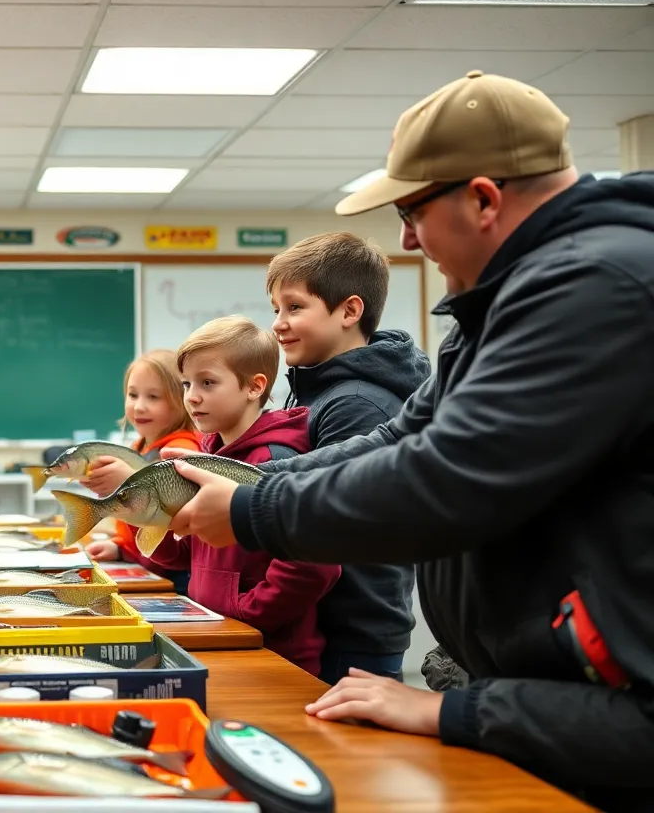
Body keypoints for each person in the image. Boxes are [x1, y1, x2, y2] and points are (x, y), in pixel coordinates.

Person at [166, 70, 654, 811]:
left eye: (413, 210)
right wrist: (249, 489)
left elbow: (449, 476)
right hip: (541, 692)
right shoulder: (499, 305)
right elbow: (407, 433)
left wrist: (253, 513)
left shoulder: (594, 285)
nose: (404, 237)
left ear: (484, 198)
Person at [267, 232, 431, 684]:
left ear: (350, 310)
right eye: (276, 309)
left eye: (295, 307)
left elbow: (326, 509)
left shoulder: (357, 402)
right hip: (321, 620)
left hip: (350, 631)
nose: (279, 323)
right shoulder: (316, 389)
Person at [141, 317, 341, 675]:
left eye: (208, 382)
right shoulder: (206, 459)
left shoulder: (275, 461)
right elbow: (188, 552)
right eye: (186, 383)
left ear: (254, 387)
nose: (192, 396)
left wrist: (248, 612)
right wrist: (151, 517)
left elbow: (316, 562)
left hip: (273, 657)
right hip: (219, 639)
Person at [83, 349, 201, 594]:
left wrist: (129, 481)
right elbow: (137, 525)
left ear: (182, 400)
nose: (139, 406)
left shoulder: (180, 451)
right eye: (133, 395)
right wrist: (121, 550)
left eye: (154, 397)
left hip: (174, 582)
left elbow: (173, 529)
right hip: (147, 567)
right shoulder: (137, 448)